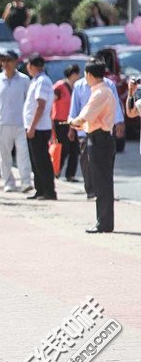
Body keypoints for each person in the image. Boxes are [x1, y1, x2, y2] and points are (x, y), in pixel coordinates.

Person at [69, 59, 117, 233]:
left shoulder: (100, 93)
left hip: (100, 140)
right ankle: (104, 221)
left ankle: (103, 223)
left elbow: (84, 117)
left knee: (101, 183)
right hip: (99, 138)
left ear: (89, 75)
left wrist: (73, 121)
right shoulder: (102, 91)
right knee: (102, 182)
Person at [68, 71, 124, 199]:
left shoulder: (107, 87)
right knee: (86, 162)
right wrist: (71, 126)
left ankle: (104, 191)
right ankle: (92, 190)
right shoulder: (79, 85)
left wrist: (119, 122)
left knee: (104, 164)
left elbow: (115, 106)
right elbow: (74, 108)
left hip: (102, 131)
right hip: (84, 131)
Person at [0, 50, 33, 193]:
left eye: (9, 60)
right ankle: (8, 182)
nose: (6, 64)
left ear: (16, 62)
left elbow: (29, 101)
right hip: (2, 122)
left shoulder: (24, 80)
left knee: (23, 154)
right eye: (4, 61)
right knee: (4, 156)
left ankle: (26, 182)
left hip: (21, 123)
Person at [23, 54, 57, 200]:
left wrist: (32, 126)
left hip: (39, 127)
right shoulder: (36, 80)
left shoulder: (42, 81)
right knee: (36, 160)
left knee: (42, 161)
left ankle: (49, 191)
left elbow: (41, 105)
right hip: (36, 127)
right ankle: (40, 190)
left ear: (32, 65)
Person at [52, 65, 81, 182]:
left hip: (72, 122)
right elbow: (51, 103)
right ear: (73, 74)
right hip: (60, 123)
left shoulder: (76, 88)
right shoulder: (60, 86)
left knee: (74, 149)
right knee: (64, 148)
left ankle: (70, 174)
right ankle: (56, 170)